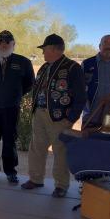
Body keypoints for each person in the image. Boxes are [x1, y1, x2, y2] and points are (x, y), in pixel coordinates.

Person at [21, 34, 86, 198]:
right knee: (36, 148)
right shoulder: (43, 67)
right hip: (40, 114)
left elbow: (81, 96)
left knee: (60, 151)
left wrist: (70, 119)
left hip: (59, 118)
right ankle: (36, 179)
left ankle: (61, 185)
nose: (43, 53)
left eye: (44, 49)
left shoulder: (72, 68)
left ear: (53, 49)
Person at [0, 30, 35, 184]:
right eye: (1, 42)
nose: (4, 45)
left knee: (10, 140)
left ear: (13, 44)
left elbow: (29, 83)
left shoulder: (23, 62)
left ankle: (10, 171)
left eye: (7, 42)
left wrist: (15, 95)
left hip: (11, 108)